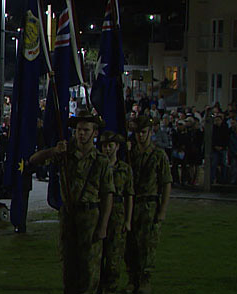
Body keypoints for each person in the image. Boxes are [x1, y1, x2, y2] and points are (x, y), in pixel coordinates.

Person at [29, 110, 114, 294]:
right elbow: (33, 160)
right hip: (69, 216)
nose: (81, 134)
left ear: (94, 133)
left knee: (90, 270)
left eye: (85, 130)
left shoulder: (101, 161)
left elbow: (108, 195)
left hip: (90, 217)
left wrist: (103, 226)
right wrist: (54, 150)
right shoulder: (65, 155)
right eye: (78, 130)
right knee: (70, 270)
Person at [125, 115, 172, 294]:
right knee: (130, 245)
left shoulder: (158, 155)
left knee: (147, 244)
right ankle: (132, 278)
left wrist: (162, 211)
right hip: (133, 204)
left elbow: (166, 183)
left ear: (150, 133)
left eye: (144, 132)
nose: (140, 136)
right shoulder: (131, 154)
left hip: (149, 204)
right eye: (137, 133)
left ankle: (145, 279)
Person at [99, 131, 134, 294]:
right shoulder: (97, 167)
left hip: (118, 215)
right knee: (98, 256)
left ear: (117, 147)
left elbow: (129, 195)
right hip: (99, 214)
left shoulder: (125, 169)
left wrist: (128, 220)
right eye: (104, 146)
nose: (107, 149)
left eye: (110, 146)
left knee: (114, 257)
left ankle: (111, 288)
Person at [211, 113, 230, 184]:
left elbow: (226, 139)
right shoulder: (213, 128)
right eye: (216, 120)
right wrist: (215, 146)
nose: (217, 122)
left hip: (223, 148)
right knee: (214, 164)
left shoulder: (225, 128)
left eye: (218, 120)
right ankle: (212, 179)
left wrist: (222, 147)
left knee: (224, 164)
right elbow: (212, 139)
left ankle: (223, 179)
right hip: (215, 149)